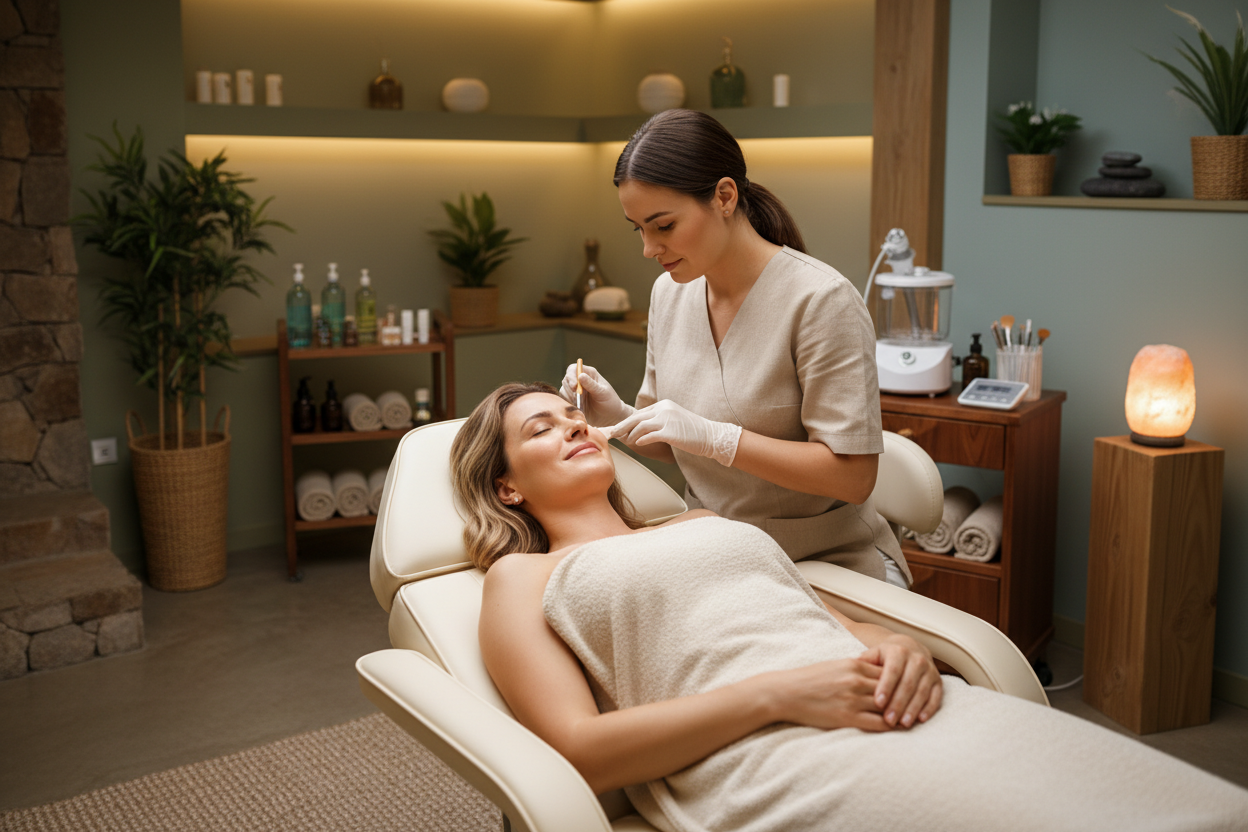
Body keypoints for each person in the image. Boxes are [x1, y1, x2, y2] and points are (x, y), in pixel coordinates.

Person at [450, 382, 1248, 832]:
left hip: (892, 695)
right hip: (769, 752)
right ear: (507, 486)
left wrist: (897, 646)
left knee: (1171, 802)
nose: (576, 426)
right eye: (542, 428)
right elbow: (577, 750)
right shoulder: (523, 577)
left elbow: (806, 615)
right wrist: (778, 695)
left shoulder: (695, 521)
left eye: (575, 416)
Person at [561, 109, 910, 588]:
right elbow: (675, 446)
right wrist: (617, 416)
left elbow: (853, 477)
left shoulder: (821, 301)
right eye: (638, 228)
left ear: (724, 197)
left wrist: (721, 440)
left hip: (827, 562)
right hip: (719, 554)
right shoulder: (670, 294)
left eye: (664, 225)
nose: (648, 248)